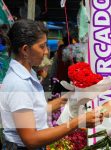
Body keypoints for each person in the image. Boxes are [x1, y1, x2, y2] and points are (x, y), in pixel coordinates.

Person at [0, 19, 103, 149]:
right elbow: (31, 139)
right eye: (42, 46)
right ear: (25, 50)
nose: (47, 51)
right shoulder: (19, 84)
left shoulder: (28, 73)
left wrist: (69, 98)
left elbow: (35, 110)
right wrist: (78, 122)